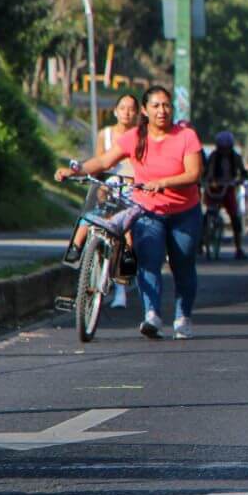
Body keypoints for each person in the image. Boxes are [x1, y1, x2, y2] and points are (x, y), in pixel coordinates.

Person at [55, 85, 204, 340]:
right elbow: (104, 161)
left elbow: (194, 173)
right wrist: (76, 170)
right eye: (155, 106)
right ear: (145, 110)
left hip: (184, 212)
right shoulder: (135, 137)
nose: (161, 111)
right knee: (148, 261)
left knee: (183, 265)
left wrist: (163, 183)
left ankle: (183, 317)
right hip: (148, 210)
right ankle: (152, 315)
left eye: (166, 105)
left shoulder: (186, 136)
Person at [67, 92, 140, 308]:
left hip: (130, 189)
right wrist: (98, 186)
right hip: (107, 186)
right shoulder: (105, 135)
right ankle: (76, 251)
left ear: (137, 113)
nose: (126, 113)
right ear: (115, 111)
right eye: (122, 108)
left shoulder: (141, 135)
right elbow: (100, 162)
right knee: (89, 217)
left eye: (131, 109)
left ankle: (121, 285)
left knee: (126, 235)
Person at [203, 131, 248, 260]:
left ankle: (238, 248)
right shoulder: (213, 157)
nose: (224, 151)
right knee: (207, 214)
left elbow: (243, 173)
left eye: (227, 148)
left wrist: (238, 180)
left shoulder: (236, 157)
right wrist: (209, 181)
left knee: (235, 217)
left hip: (228, 188)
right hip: (214, 187)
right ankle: (201, 241)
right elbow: (207, 172)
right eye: (222, 148)